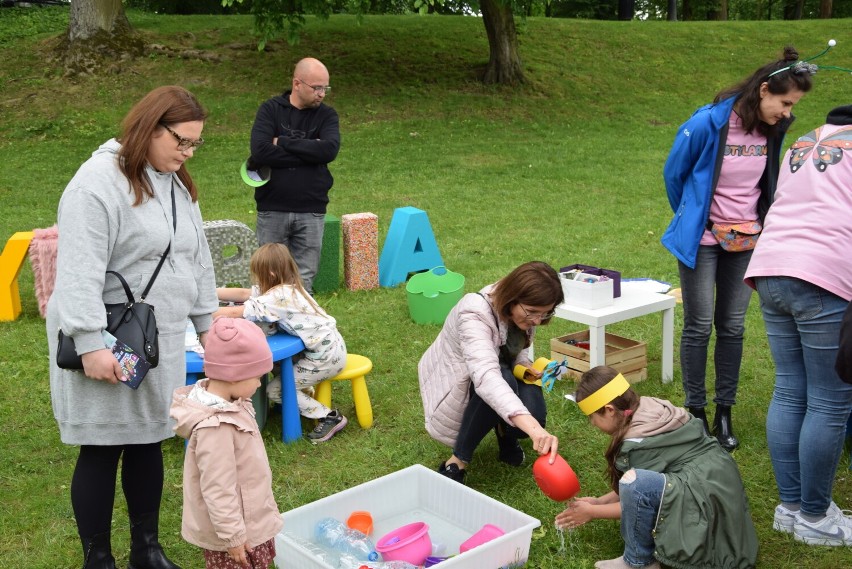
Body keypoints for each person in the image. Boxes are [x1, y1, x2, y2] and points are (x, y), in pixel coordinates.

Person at [46, 86, 218, 568]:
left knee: (148, 440)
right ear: (150, 127)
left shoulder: (176, 181)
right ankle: (97, 558)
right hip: (105, 336)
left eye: (194, 145)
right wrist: (87, 344)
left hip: (156, 337)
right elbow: (78, 268)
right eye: (181, 141)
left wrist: (206, 324)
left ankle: (148, 549)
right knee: (102, 446)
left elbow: (195, 256)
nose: (187, 153)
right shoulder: (96, 183)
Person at [661, 46, 814, 451]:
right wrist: (697, 217)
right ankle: (695, 413)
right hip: (705, 239)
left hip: (746, 239)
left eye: (792, 106)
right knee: (699, 325)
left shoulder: (773, 128)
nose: (787, 112)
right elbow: (674, 174)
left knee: (732, 326)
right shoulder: (709, 123)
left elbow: (769, 176)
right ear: (764, 90)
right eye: (784, 103)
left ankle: (723, 411)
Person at [744, 104, 852, 546]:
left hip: (770, 267)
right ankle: (813, 518)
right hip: (822, 274)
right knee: (829, 401)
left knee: (790, 388)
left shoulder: (806, 140)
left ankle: (791, 508)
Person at [555, 366, 758, 569]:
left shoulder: (637, 441)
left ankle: (638, 562)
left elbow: (636, 494)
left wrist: (592, 512)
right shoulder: (649, 407)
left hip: (700, 498)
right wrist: (599, 501)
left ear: (609, 410)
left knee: (635, 482)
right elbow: (649, 481)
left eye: (592, 417)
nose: (592, 424)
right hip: (718, 485)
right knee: (635, 482)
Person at [418, 261, 563, 484]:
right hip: (464, 376)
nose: (536, 321)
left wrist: (525, 367)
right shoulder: (474, 312)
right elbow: (486, 377)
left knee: (532, 416)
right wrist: (535, 431)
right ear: (512, 298)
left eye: (544, 314)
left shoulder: (522, 310)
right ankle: (456, 462)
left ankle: (504, 433)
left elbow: (515, 349)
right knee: (503, 385)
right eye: (532, 312)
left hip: (499, 370)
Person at [170, 317, 283, 569]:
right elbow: (218, 488)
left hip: (251, 518)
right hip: (236, 535)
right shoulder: (215, 427)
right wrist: (233, 537)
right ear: (234, 376)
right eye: (257, 377)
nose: (258, 384)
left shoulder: (234, 403)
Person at [214, 243, 348, 443]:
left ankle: (328, 416)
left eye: (257, 274)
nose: (256, 279)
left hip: (324, 358)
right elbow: (243, 294)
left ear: (269, 273)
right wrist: (208, 294)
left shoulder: (278, 297)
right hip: (330, 348)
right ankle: (302, 394)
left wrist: (200, 313)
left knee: (275, 390)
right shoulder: (287, 288)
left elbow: (235, 312)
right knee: (277, 365)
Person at [248, 56, 340, 294]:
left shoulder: (327, 116)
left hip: (311, 208)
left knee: (304, 280)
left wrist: (283, 141)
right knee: (268, 279)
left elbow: (329, 150)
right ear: (297, 84)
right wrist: (311, 152)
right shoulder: (270, 110)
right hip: (272, 207)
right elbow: (260, 151)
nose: (322, 94)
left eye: (325, 88)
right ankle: (267, 329)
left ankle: (299, 329)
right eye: (316, 88)